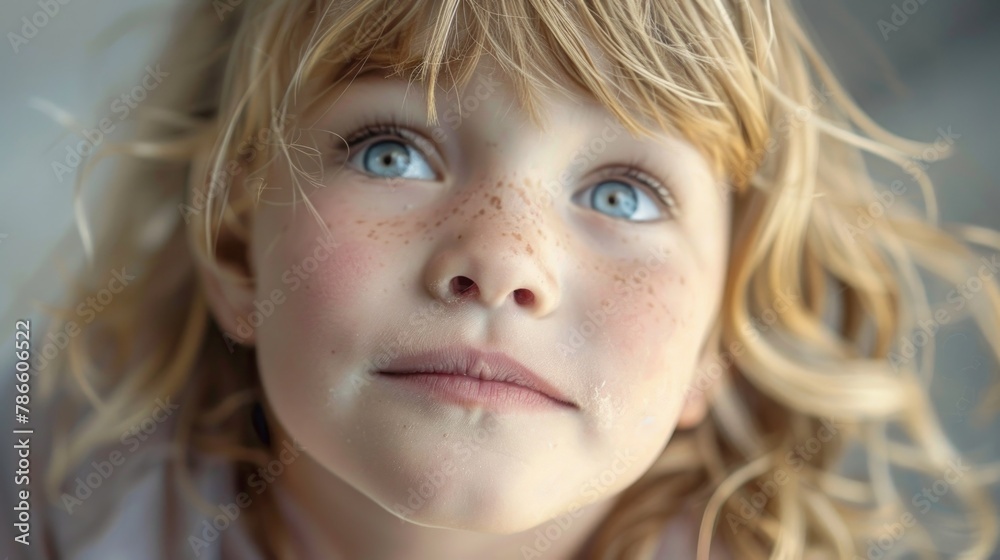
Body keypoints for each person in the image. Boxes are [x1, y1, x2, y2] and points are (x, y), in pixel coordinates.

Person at [3, 0, 999, 558]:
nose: (502, 261)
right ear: (234, 254)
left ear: (717, 344)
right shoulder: (58, 480)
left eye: (621, 194)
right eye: (392, 152)